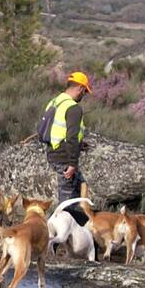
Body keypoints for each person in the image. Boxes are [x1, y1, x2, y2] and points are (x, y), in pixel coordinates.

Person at [36, 71, 90, 224]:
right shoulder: (73, 108)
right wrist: (72, 163)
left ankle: (76, 232)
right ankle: (56, 240)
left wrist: (80, 145)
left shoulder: (54, 102)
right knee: (67, 203)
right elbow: (71, 136)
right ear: (80, 88)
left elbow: (56, 131)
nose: (84, 95)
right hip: (65, 158)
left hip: (53, 153)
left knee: (77, 191)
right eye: (85, 91)